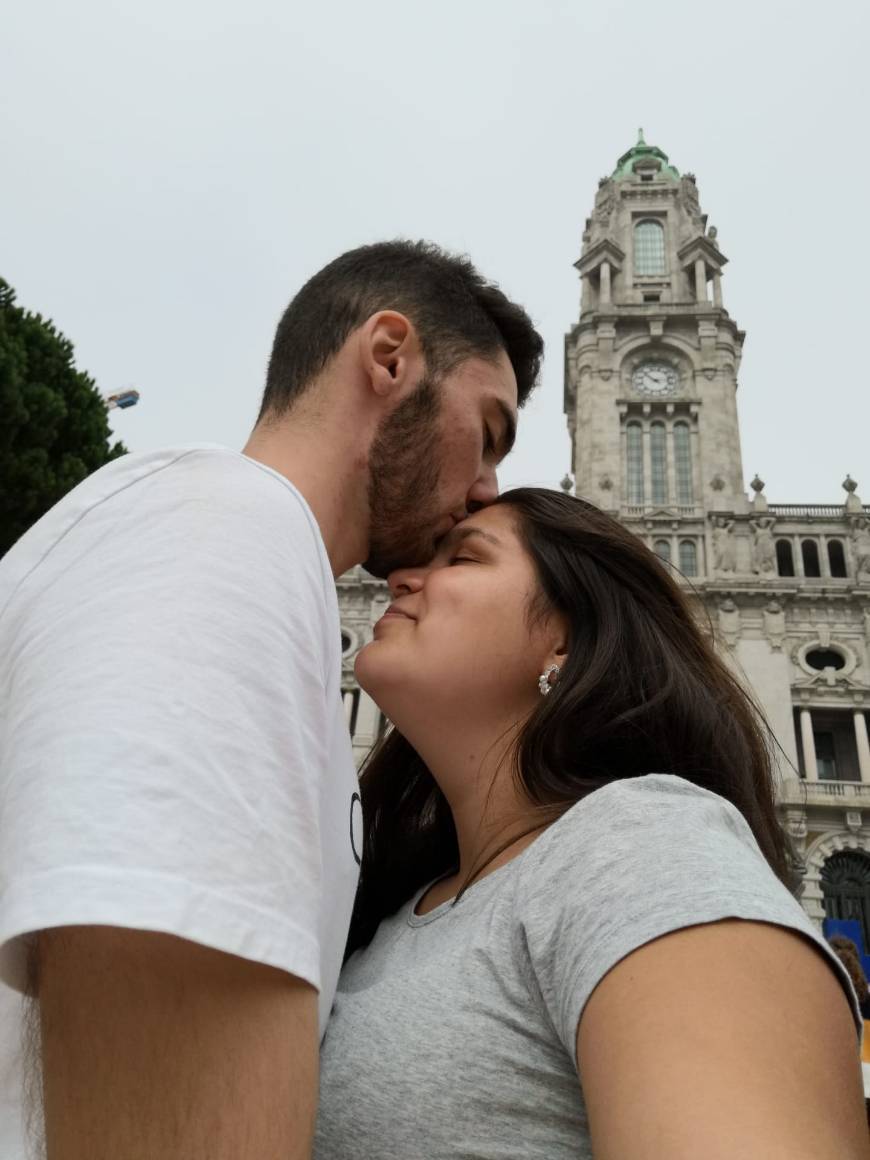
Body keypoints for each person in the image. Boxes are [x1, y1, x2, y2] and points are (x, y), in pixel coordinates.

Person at [0, 240, 543, 1160]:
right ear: (387, 359)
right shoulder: (231, 542)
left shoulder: (235, 551)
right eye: (487, 431)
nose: (489, 488)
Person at [315, 488, 868, 1160]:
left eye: (462, 558)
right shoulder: (401, 904)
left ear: (566, 640)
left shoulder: (647, 849)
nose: (399, 576)